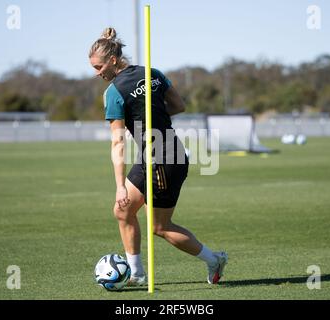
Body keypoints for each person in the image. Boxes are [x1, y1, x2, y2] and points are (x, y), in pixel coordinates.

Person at [89, 27, 227, 285]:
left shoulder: (113, 93)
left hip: (162, 161)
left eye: (98, 67)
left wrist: (120, 186)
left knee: (160, 227)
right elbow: (179, 105)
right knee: (123, 212)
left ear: (113, 60)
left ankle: (214, 259)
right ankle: (137, 274)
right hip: (159, 154)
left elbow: (118, 143)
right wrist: (150, 119)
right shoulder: (153, 73)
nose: (97, 74)